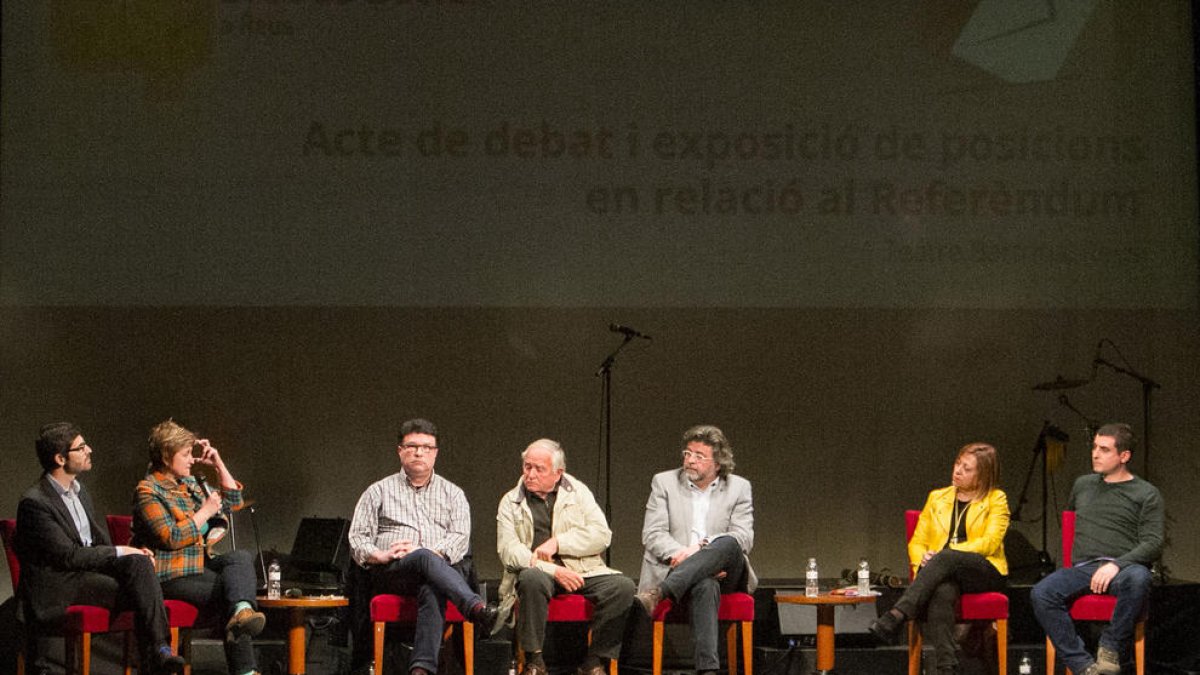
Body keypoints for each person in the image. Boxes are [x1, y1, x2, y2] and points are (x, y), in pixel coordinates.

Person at [15, 423, 185, 675]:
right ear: (60, 458)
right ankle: (155, 658)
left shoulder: (80, 493)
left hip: (86, 575)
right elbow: (68, 556)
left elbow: (96, 541)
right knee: (142, 593)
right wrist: (121, 553)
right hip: (61, 585)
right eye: (81, 448)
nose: (89, 450)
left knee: (139, 568)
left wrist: (132, 552)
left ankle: (160, 651)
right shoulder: (35, 503)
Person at [347, 418, 497, 675]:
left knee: (432, 582)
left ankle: (420, 670)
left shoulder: (454, 494)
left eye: (427, 447)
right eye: (412, 446)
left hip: (440, 569)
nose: (419, 452)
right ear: (400, 451)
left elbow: (460, 538)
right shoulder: (377, 491)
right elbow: (357, 538)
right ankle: (475, 607)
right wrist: (381, 555)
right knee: (424, 560)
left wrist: (430, 555)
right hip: (394, 571)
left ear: (435, 453)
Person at [131, 420, 265, 675]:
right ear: (166, 457)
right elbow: (170, 537)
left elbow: (234, 501)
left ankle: (243, 611)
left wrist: (218, 464)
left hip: (199, 565)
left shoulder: (189, 484)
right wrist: (205, 512)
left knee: (240, 557)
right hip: (169, 573)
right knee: (232, 592)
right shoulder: (148, 491)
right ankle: (246, 670)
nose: (191, 459)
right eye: (185, 454)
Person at [1031, 423, 1163, 675]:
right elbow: (1070, 526)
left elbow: (1153, 542)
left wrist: (1116, 565)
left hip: (1123, 567)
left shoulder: (1146, 493)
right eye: (1094, 447)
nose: (1095, 454)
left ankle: (1110, 646)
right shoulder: (1082, 485)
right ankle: (1082, 665)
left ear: (1124, 456)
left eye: (1104, 449)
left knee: (1139, 577)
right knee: (1042, 592)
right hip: (1083, 567)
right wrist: (1064, 569)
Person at [496, 439, 635, 675]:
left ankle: (594, 661)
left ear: (558, 473)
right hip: (540, 572)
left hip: (583, 570)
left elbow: (602, 535)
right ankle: (534, 661)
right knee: (530, 579)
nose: (530, 474)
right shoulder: (511, 501)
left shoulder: (578, 493)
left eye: (539, 469)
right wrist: (553, 570)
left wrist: (558, 543)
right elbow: (508, 550)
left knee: (623, 587)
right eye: (527, 466)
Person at [868, 442, 1009, 675]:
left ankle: (896, 615)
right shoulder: (937, 498)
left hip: (983, 571)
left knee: (945, 558)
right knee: (942, 590)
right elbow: (918, 541)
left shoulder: (996, 499)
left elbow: (990, 542)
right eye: (957, 464)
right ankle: (947, 667)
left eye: (967, 468)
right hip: (943, 571)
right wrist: (922, 561)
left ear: (983, 475)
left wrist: (950, 552)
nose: (957, 471)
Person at [633, 425, 756, 675]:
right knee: (705, 584)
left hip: (726, 572)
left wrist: (701, 553)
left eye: (699, 456)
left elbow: (743, 537)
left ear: (718, 462)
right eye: (687, 453)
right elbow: (653, 533)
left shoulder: (739, 488)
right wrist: (684, 556)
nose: (690, 460)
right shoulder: (664, 482)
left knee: (730, 542)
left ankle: (659, 593)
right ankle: (708, 671)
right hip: (675, 566)